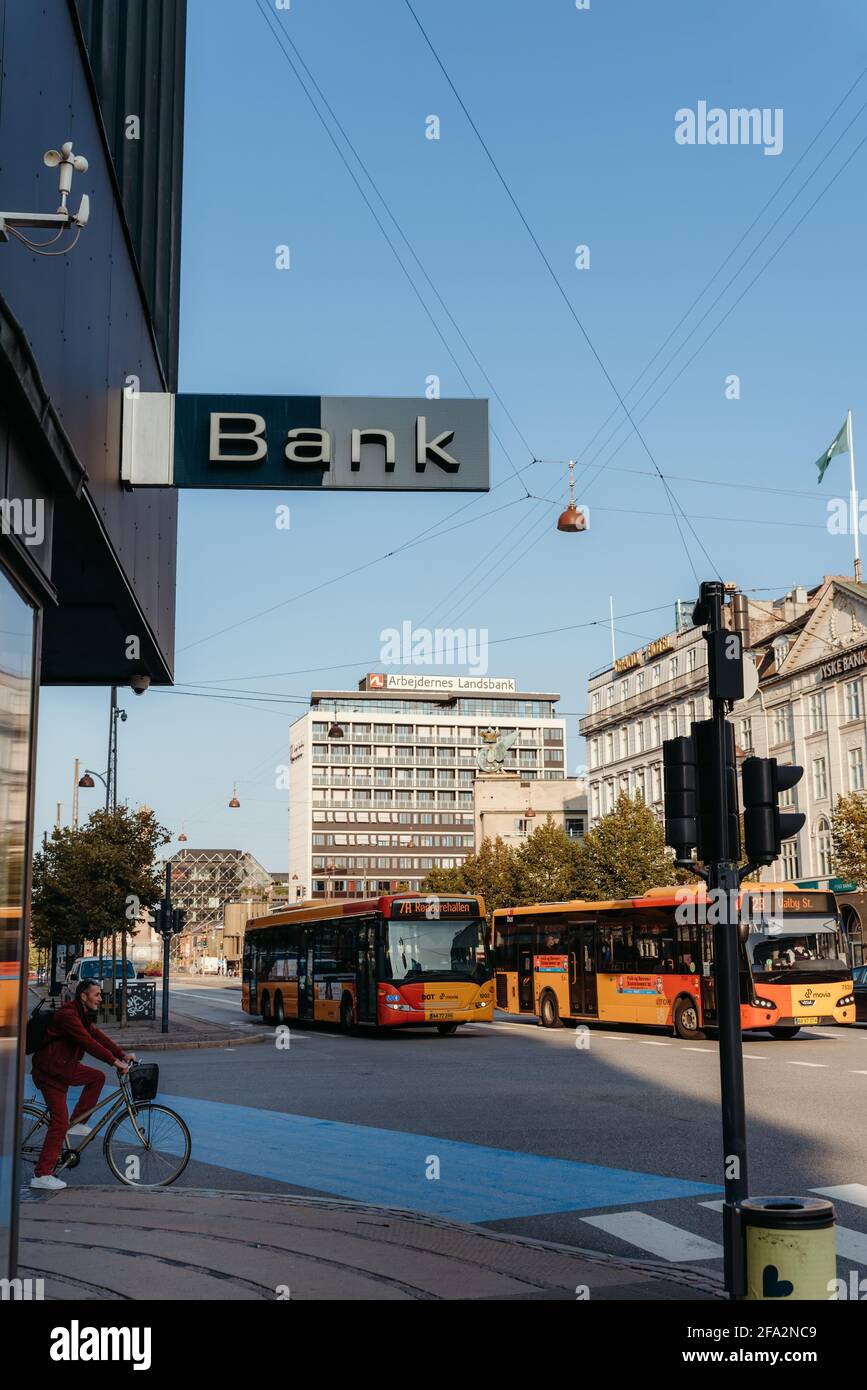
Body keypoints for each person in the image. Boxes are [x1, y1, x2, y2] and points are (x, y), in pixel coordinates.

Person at [30, 980, 136, 1191]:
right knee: (59, 1123)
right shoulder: (68, 1016)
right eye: (96, 995)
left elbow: (97, 1036)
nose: (100, 998)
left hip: (64, 1068)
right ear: (83, 996)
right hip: (51, 1072)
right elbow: (88, 1042)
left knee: (97, 1077)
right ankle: (42, 1174)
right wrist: (114, 1062)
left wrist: (122, 1054)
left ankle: (78, 1122)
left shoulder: (79, 1014)